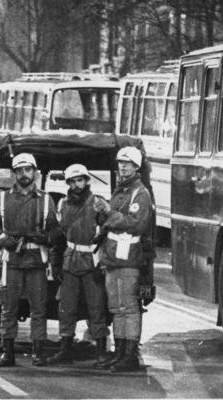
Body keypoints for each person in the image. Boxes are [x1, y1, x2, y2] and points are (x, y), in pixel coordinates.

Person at [0, 153, 61, 367]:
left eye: (28, 170)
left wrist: (48, 237)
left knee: (39, 308)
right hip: (12, 260)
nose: (24, 174)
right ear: (14, 174)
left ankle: (38, 352)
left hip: (36, 261)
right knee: (9, 307)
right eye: (19, 170)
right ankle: (8, 352)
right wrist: (0, 237)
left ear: (34, 173)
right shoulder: (3, 198)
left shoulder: (46, 200)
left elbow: (56, 229)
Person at [93, 146, 154, 373]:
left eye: (128, 163)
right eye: (120, 163)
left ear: (137, 167)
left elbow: (136, 223)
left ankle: (129, 355)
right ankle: (120, 352)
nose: (123, 166)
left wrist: (109, 212)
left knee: (128, 306)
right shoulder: (122, 191)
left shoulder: (140, 193)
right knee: (117, 307)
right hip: (113, 258)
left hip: (128, 258)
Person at [47, 164, 109, 366]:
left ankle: (101, 351)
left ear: (86, 180)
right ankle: (65, 350)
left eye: (80, 180)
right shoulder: (63, 204)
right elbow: (58, 237)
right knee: (66, 307)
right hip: (69, 260)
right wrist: (56, 264)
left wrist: (103, 264)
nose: (76, 185)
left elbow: (107, 235)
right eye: (72, 181)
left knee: (96, 307)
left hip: (91, 260)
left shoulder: (97, 203)